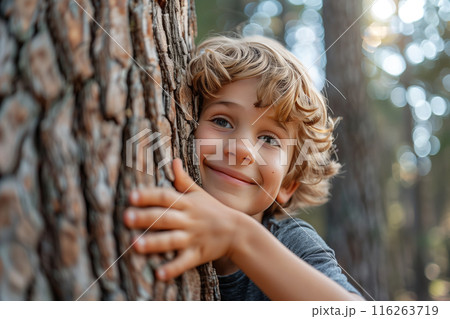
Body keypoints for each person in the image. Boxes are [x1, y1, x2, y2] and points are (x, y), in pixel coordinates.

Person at [123, 35, 364, 301]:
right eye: (222, 121)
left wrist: (238, 237)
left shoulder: (292, 243)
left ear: (287, 184)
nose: (241, 149)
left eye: (269, 139)